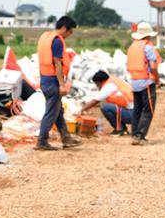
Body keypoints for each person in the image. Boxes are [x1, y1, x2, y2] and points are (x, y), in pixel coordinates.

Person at [35, 16, 83, 150]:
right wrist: (62, 84)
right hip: (53, 81)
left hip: (45, 78)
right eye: (70, 31)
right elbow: (57, 63)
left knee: (58, 111)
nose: (70, 34)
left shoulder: (45, 37)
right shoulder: (57, 41)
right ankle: (42, 141)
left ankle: (66, 137)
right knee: (51, 112)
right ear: (64, 28)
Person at [125, 21, 160, 145]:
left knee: (137, 109)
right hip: (146, 82)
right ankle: (140, 135)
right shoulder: (148, 47)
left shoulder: (132, 47)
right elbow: (153, 66)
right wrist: (157, 78)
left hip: (135, 82)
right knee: (148, 109)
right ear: (148, 35)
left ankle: (135, 134)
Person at [81, 70, 133, 135]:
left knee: (106, 107)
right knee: (109, 106)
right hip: (134, 112)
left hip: (132, 114)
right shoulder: (113, 81)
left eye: (97, 83)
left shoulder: (109, 86)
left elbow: (94, 101)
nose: (97, 86)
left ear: (102, 81)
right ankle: (122, 129)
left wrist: (81, 111)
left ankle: (120, 129)